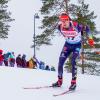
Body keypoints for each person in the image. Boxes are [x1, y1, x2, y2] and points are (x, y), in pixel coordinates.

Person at [52, 12, 94, 90]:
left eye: (65, 20)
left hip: (77, 46)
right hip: (67, 45)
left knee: (73, 61)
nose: (63, 22)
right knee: (60, 62)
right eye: (62, 20)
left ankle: (73, 83)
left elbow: (87, 28)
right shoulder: (59, 27)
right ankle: (59, 81)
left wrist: (90, 39)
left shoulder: (76, 25)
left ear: (69, 20)